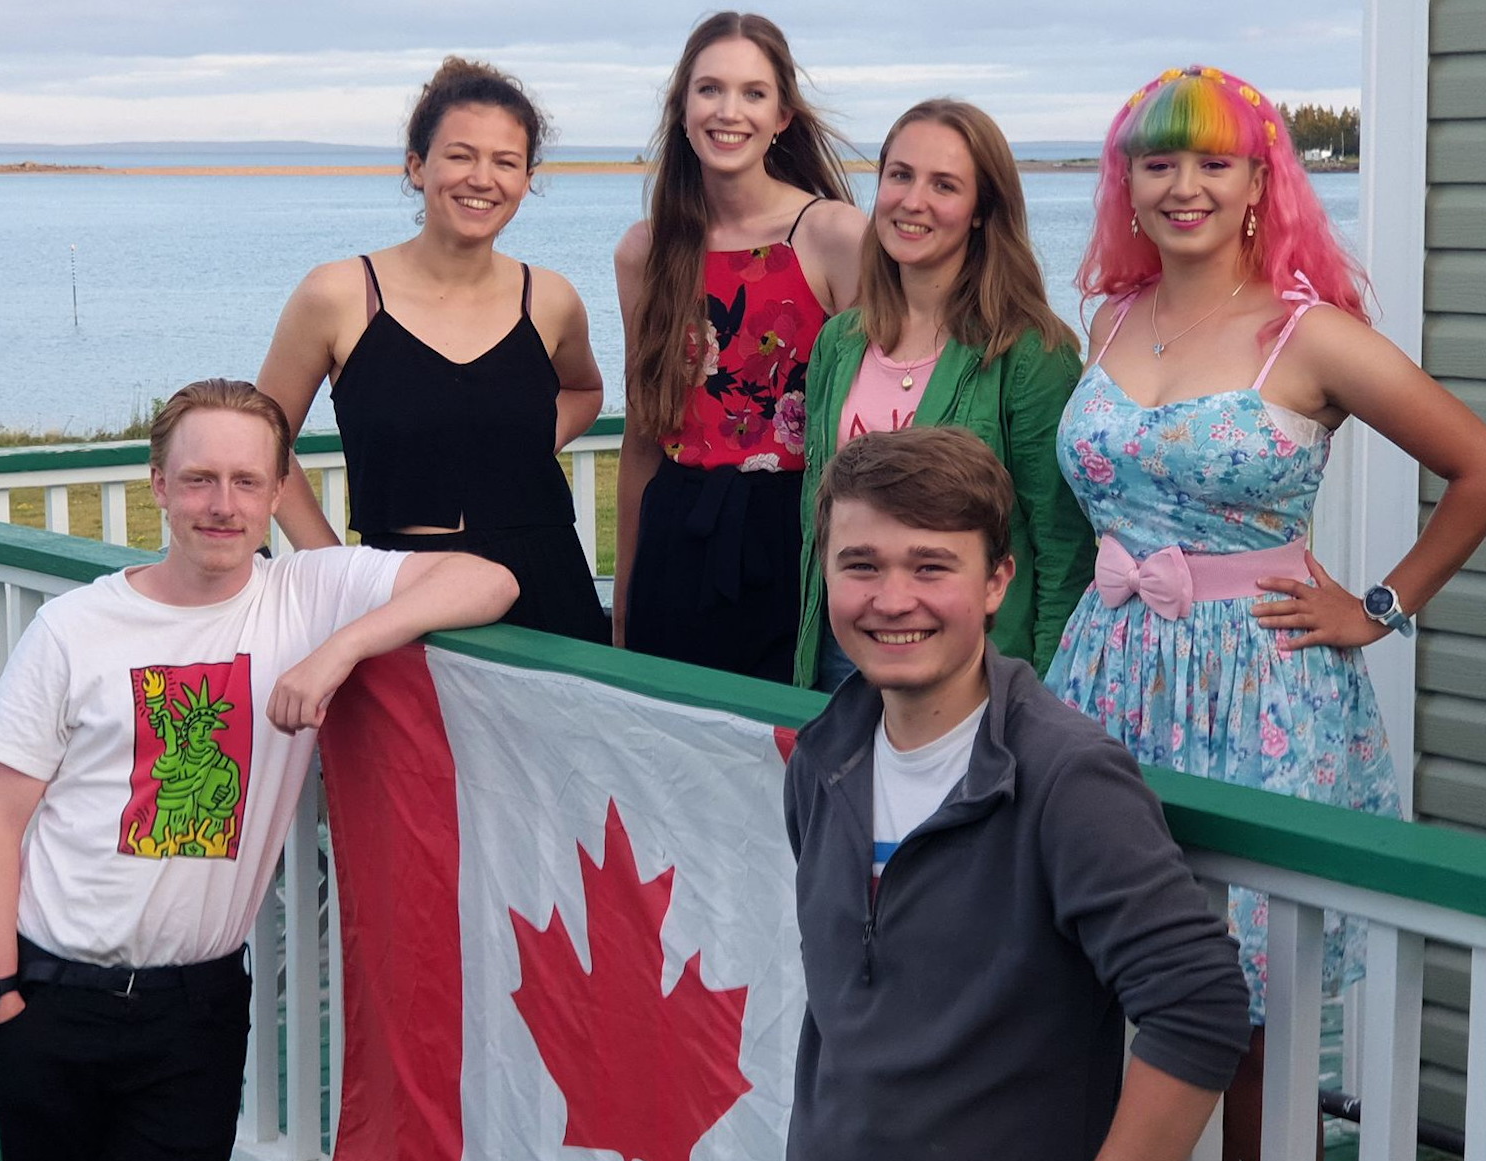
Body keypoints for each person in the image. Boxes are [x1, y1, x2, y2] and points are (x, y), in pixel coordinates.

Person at [1044, 66, 1486, 1161]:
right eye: (1157, 161)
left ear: (1262, 182)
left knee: (1243, 1026)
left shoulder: (1307, 333)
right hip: (1107, 685)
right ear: (1127, 184)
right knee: (1130, 1001)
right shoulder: (1104, 317)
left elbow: (1483, 469)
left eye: (1213, 162)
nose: (1183, 184)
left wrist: (1374, 608)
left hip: (1260, 703)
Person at [0, 378, 517, 1161]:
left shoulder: (304, 597)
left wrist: (341, 649)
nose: (223, 505)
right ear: (158, 485)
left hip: (195, 1016)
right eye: (201, 479)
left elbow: (488, 580)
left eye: (248, 484)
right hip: (52, 1002)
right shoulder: (75, 630)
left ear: (278, 492)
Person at [767, 426, 1251, 1161]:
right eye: (861, 565)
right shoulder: (823, 759)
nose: (892, 599)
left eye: (931, 567)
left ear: (997, 583)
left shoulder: (1066, 781)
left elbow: (1201, 1005)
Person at [257, 57, 609, 643]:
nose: (482, 178)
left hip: (548, 589)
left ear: (527, 179)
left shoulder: (550, 298)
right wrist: (338, 568)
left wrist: (510, 437)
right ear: (417, 167)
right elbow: (263, 445)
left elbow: (585, 390)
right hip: (400, 595)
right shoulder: (339, 294)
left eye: (506, 162)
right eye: (460, 155)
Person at [794, 98, 1090, 690]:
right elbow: (817, 521)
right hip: (842, 659)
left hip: (974, 673)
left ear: (982, 211)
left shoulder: (1029, 354)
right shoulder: (839, 343)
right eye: (900, 175)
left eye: (945, 185)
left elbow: (1062, 549)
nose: (913, 200)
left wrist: (1046, 699)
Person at [613, 11, 866, 681]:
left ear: (783, 115)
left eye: (753, 93)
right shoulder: (647, 250)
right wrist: (623, 605)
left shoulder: (834, 235)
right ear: (682, 108)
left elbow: (878, 425)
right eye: (710, 90)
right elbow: (643, 436)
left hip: (798, 540)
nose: (730, 111)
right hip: (677, 539)